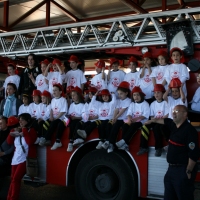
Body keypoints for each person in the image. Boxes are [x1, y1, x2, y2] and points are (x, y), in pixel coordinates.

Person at [145, 105, 199, 200]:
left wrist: (188, 171)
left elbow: (193, 153)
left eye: (177, 111)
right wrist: (152, 120)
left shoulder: (189, 131)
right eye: (173, 111)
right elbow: (164, 121)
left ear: (185, 114)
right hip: (171, 170)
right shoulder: (174, 125)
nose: (174, 113)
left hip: (182, 170)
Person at [7, 114, 37, 200]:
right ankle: (9, 197)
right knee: (12, 180)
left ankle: (13, 198)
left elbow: (30, 142)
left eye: (22, 120)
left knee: (16, 179)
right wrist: (12, 133)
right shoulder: (16, 130)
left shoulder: (31, 130)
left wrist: (24, 130)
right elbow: (9, 142)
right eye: (19, 120)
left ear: (27, 121)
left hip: (25, 159)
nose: (20, 121)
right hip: (15, 159)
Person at [115, 86, 150, 154]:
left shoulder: (145, 104)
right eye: (134, 95)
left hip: (141, 121)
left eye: (137, 95)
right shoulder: (132, 104)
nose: (136, 97)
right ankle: (125, 145)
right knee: (125, 126)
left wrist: (135, 119)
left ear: (141, 95)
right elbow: (129, 113)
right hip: (132, 120)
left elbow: (144, 116)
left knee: (134, 125)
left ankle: (124, 141)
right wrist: (129, 119)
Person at [102, 81, 131, 153]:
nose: (119, 95)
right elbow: (116, 109)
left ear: (126, 93)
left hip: (125, 119)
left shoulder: (129, 100)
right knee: (109, 124)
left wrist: (116, 118)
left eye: (121, 94)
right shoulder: (118, 101)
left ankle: (110, 143)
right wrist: (113, 118)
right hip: (118, 118)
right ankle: (107, 141)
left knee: (116, 125)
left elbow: (122, 111)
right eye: (118, 94)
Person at [39, 83, 68, 150]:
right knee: (45, 123)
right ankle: (46, 139)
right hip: (54, 118)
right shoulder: (53, 100)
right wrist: (51, 117)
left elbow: (63, 111)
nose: (54, 92)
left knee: (54, 123)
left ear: (60, 92)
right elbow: (51, 109)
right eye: (53, 90)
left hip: (61, 118)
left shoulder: (63, 100)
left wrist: (56, 118)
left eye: (56, 90)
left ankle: (46, 138)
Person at [149, 84, 169, 156]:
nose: (156, 94)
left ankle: (167, 144)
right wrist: (154, 120)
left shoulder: (166, 103)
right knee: (155, 127)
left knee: (160, 127)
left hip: (163, 121)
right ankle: (158, 148)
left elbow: (167, 115)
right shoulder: (152, 104)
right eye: (155, 93)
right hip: (155, 122)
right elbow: (151, 116)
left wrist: (158, 120)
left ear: (163, 93)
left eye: (158, 92)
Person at [67, 86, 85, 152]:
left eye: (74, 95)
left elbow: (83, 117)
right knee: (71, 123)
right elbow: (69, 114)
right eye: (72, 95)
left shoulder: (83, 105)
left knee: (75, 123)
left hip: (79, 120)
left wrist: (75, 117)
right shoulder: (71, 105)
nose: (73, 97)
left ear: (79, 95)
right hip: (72, 120)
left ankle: (72, 141)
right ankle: (71, 141)